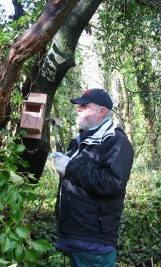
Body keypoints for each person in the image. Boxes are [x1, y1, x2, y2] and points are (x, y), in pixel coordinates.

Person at [52, 88, 134, 267]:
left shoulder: (115, 140)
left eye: (83, 106)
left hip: (94, 243)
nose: (78, 109)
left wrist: (70, 167)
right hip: (74, 237)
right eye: (78, 106)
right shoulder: (79, 140)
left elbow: (113, 183)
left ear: (101, 111)